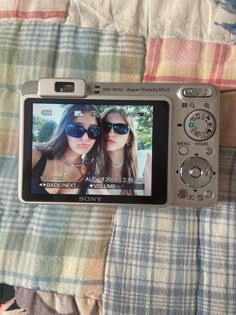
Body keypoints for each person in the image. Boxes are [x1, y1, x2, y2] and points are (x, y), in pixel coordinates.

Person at [31, 104, 103, 194]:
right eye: (77, 129)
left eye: (93, 131)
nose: (85, 138)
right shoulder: (35, 154)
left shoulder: (90, 177)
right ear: (64, 129)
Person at [101, 107, 152, 196]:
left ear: (129, 138)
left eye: (120, 128)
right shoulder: (92, 167)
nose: (110, 133)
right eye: (106, 126)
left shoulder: (144, 159)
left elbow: (153, 204)